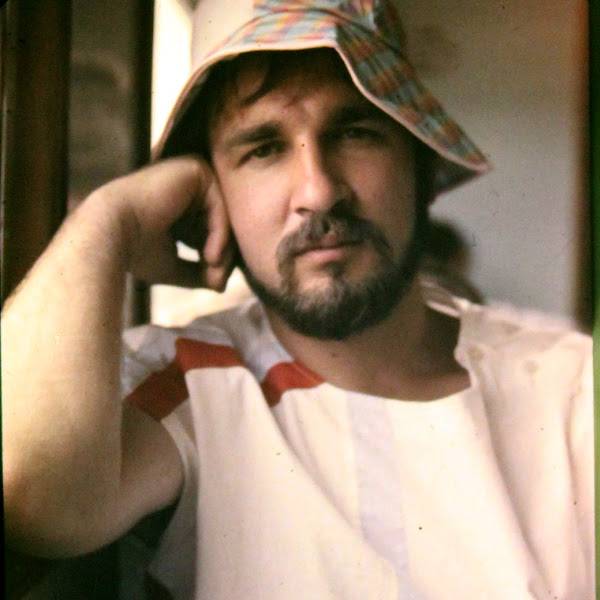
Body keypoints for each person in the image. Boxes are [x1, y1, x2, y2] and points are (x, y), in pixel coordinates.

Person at [3, 1, 592, 599]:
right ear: (213, 193)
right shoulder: (192, 384)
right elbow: (34, 498)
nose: (319, 191)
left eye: (356, 132)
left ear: (420, 162)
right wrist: (110, 219)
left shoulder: (571, 385)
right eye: (263, 148)